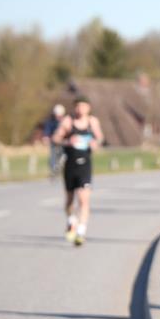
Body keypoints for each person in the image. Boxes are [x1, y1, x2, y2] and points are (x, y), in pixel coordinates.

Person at [52, 95, 104, 246]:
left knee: (83, 199)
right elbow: (55, 138)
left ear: (88, 108)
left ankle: (81, 231)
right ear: (75, 107)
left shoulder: (92, 122)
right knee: (69, 200)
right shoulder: (68, 121)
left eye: (83, 106)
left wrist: (96, 143)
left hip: (85, 165)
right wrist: (67, 141)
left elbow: (100, 138)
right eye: (78, 106)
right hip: (70, 164)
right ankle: (71, 220)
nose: (80, 109)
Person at [43, 104, 67, 178]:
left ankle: (62, 167)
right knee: (53, 156)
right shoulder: (51, 121)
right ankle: (53, 170)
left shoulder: (66, 121)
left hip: (64, 142)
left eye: (59, 116)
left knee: (64, 155)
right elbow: (47, 131)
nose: (58, 117)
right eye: (57, 115)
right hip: (54, 142)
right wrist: (46, 137)